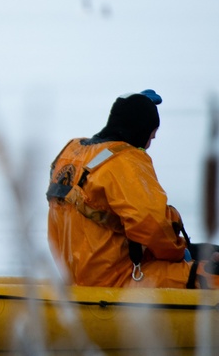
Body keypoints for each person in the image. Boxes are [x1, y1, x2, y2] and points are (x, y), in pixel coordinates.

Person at [47, 90, 219, 289]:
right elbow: (151, 224)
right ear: (141, 131)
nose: (148, 145)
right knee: (213, 273)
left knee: (208, 251)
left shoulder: (70, 153)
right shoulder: (125, 160)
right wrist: (181, 253)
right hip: (120, 279)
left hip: (78, 278)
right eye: (151, 137)